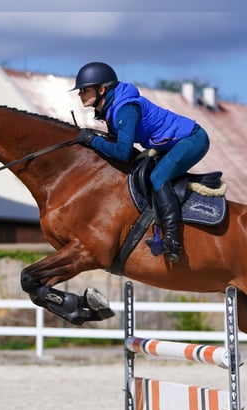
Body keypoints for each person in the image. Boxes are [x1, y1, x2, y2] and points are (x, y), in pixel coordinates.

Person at [72, 61, 210, 263]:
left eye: (84, 90)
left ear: (102, 89)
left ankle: (172, 238)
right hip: (171, 144)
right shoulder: (112, 107)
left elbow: (122, 152)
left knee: (158, 176)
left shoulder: (125, 109)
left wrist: (93, 141)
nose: (80, 94)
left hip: (193, 140)